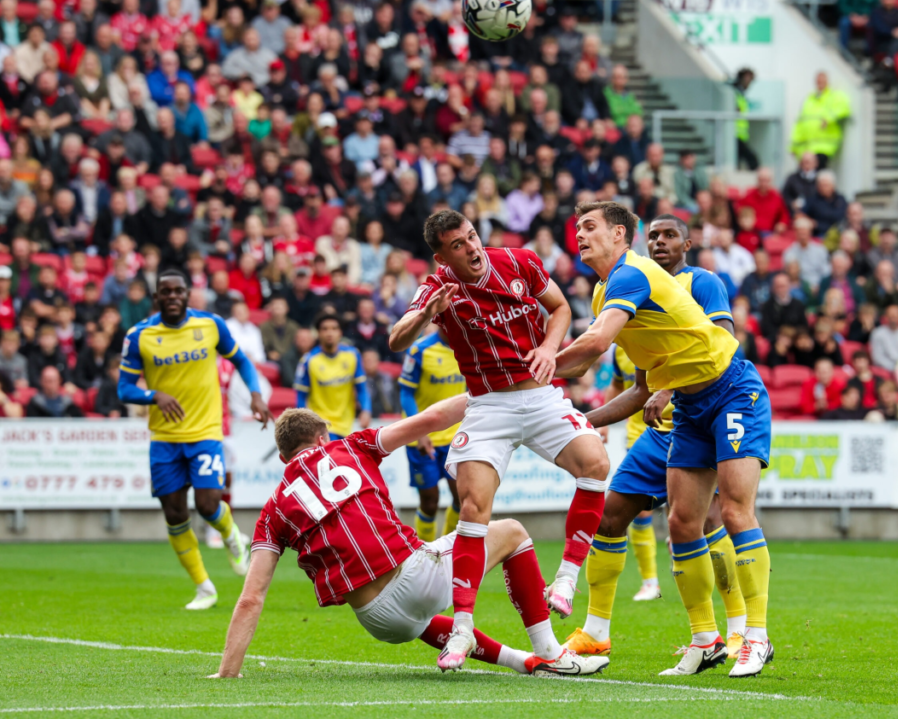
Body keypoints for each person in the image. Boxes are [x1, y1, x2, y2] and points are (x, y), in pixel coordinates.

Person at [210, 406, 609, 679]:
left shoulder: (273, 508)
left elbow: (251, 597)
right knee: (513, 533)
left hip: (379, 621)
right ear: (322, 436)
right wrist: (495, 397)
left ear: (284, 458)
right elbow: (434, 418)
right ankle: (551, 653)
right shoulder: (348, 446)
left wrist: (228, 671)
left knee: (420, 616)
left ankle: (525, 662)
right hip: (415, 578)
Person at [554, 201, 773, 678]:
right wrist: (579, 421)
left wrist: (536, 372)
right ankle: (705, 640)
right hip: (688, 411)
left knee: (733, 511)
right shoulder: (604, 293)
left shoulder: (636, 276)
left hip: (731, 391)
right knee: (680, 522)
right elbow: (640, 387)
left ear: (618, 234)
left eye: (590, 226)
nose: (580, 235)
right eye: (577, 228)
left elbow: (592, 346)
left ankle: (753, 635)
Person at [389, 209, 609, 670]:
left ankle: (567, 578)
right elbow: (395, 339)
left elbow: (562, 308)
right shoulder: (436, 288)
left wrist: (549, 349)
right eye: (458, 245)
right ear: (441, 255)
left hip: (542, 395)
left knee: (596, 464)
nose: (470, 248)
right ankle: (463, 629)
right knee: (472, 509)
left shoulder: (519, 261)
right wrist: (426, 315)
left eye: (472, 237)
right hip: (489, 406)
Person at [118, 269, 270, 610]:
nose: (172, 296)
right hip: (164, 438)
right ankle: (204, 587)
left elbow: (242, 360)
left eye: (178, 291)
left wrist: (257, 396)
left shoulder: (210, 325)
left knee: (206, 504)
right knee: (174, 514)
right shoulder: (139, 335)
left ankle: (232, 535)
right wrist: (154, 395)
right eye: (165, 292)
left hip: (205, 433)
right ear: (157, 298)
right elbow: (124, 388)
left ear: (188, 295)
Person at [399, 330, 465, 543]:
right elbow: (406, 393)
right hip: (421, 437)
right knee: (429, 501)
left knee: (462, 498)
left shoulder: (470, 345)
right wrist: (420, 431)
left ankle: (446, 549)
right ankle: (424, 551)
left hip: (457, 436)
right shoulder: (420, 350)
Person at [294, 311, 372, 440]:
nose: (330, 333)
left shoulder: (353, 355)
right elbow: (301, 396)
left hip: (347, 424)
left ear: (340, 332)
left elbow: (361, 389)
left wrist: (366, 410)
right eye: (325, 329)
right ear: (318, 333)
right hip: (321, 426)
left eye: (334, 328)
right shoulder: (308, 361)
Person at [790, 72, 850, 169]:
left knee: (819, 175)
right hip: (807, 147)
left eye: (822, 80)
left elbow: (844, 109)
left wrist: (829, 119)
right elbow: (801, 123)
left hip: (824, 147)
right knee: (804, 176)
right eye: (818, 81)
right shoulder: (809, 99)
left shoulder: (834, 96)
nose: (820, 82)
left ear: (827, 81)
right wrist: (794, 147)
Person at [870, 303, 898, 372]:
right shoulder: (877, 333)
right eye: (891, 315)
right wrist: (895, 368)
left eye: (896, 315)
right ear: (885, 317)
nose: (893, 317)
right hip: (884, 370)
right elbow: (877, 358)